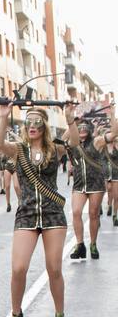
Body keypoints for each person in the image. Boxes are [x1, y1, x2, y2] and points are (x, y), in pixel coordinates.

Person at [0, 105, 72, 317]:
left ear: (44, 126)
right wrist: (4, 117)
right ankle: (16, 314)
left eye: (37, 122)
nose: (32, 126)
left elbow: (76, 142)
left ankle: (59, 315)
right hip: (27, 214)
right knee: (18, 268)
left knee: (54, 268)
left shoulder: (55, 148)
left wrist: (70, 121)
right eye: (28, 122)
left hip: (52, 214)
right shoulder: (18, 150)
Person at [67, 105, 118, 260]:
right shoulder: (72, 142)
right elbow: (61, 139)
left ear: (89, 129)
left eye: (84, 127)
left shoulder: (96, 142)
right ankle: (80, 244)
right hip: (79, 184)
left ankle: (93, 244)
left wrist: (113, 115)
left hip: (95, 183)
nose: (82, 129)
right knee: (76, 212)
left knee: (93, 214)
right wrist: (71, 121)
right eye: (79, 127)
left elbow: (114, 133)